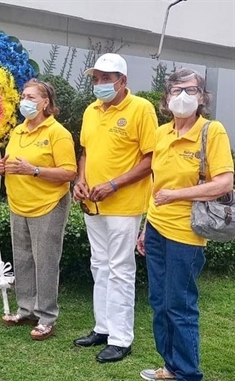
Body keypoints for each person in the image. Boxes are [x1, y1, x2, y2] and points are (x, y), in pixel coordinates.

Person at [137, 69, 233, 381]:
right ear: (166, 98)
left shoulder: (212, 131)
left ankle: (188, 373)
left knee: (180, 305)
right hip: (156, 229)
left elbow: (223, 183)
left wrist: (177, 194)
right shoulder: (162, 133)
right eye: (177, 90)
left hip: (187, 233)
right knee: (159, 303)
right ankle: (170, 366)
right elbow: (156, 185)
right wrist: (145, 227)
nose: (183, 96)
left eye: (191, 90)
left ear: (202, 97)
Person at [72, 53, 158, 362]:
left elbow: (150, 159)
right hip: (92, 204)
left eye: (105, 79)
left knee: (120, 270)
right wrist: (80, 181)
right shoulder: (91, 110)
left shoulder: (141, 109)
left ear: (122, 81)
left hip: (123, 204)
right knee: (100, 265)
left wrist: (114, 184)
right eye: (95, 79)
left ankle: (121, 339)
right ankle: (103, 328)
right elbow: (86, 152)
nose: (99, 84)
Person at [0, 79, 76, 340]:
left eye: (31, 97)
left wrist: (34, 170)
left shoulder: (57, 133)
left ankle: (47, 316)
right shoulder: (18, 131)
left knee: (46, 261)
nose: (24, 101)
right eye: (23, 96)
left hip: (48, 205)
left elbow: (69, 172)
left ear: (45, 103)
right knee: (23, 259)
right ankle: (26, 309)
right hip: (19, 204)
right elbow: (12, 163)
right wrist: (2, 168)